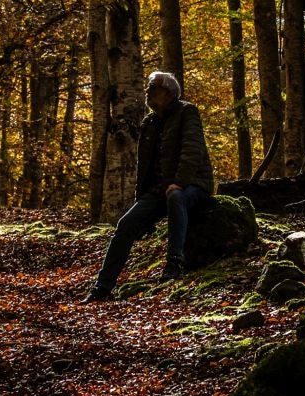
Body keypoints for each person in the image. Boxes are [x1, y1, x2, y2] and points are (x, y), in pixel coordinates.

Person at [83, 69, 215, 302]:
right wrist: (141, 198)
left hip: (193, 185)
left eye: (153, 88)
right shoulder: (150, 122)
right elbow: (143, 166)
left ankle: (174, 264)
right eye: (148, 88)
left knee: (176, 197)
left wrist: (179, 182)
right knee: (126, 225)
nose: (148, 93)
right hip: (158, 191)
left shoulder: (187, 112)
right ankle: (102, 288)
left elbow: (192, 150)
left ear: (169, 93)